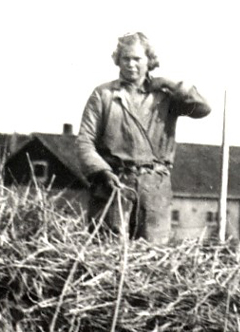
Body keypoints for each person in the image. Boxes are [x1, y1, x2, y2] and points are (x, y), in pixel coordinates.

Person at [76, 32, 210, 244]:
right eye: (125, 58)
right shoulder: (104, 95)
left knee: (152, 255)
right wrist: (103, 171)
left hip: (154, 188)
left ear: (149, 61)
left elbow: (202, 109)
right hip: (115, 185)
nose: (130, 64)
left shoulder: (166, 97)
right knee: (108, 251)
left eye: (137, 59)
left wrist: (171, 84)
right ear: (117, 60)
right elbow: (85, 141)